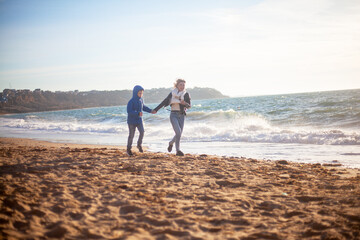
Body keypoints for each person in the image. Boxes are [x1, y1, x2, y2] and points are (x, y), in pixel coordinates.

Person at [153, 79, 191, 156]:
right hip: (173, 115)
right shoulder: (172, 93)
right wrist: (156, 109)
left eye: (183, 85)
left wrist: (185, 103)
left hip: (182, 115)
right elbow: (165, 101)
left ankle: (171, 143)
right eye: (181, 84)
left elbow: (189, 106)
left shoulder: (186, 94)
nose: (182, 86)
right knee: (178, 132)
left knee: (179, 134)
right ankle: (178, 150)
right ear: (177, 85)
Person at [126, 85, 154, 156]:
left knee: (142, 132)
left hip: (139, 121)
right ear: (135, 93)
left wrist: (151, 111)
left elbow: (143, 107)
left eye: (142, 93)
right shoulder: (131, 101)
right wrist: (137, 113)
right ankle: (128, 149)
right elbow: (129, 111)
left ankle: (139, 145)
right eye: (139, 93)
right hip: (131, 121)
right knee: (131, 135)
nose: (141, 94)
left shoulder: (141, 100)